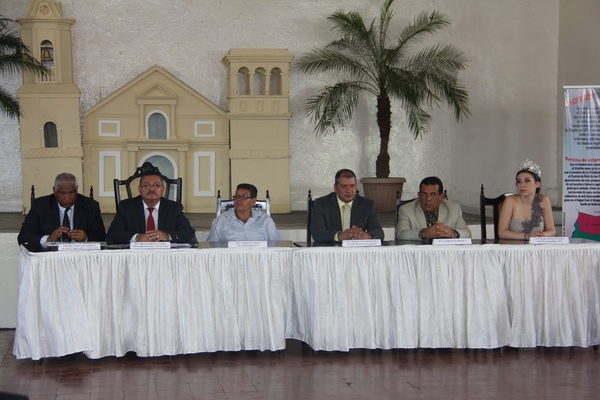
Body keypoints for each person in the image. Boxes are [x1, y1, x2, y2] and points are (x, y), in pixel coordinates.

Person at [106, 169, 195, 244]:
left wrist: (167, 236)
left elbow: (188, 233)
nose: (151, 189)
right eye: (146, 185)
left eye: (156, 185)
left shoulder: (174, 208)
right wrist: (137, 237)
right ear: (140, 189)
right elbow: (113, 234)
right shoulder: (126, 207)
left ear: (162, 189)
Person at [18, 172, 106, 245]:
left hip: (80, 255)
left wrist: (86, 238)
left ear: (77, 189)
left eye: (71, 193)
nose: (67, 198)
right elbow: (23, 236)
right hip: (51, 256)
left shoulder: (90, 206)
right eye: (62, 193)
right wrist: (48, 239)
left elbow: (102, 236)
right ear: (54, 191)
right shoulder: (40, 206)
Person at [311, 169, 384, 242]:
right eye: (344, 186)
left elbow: (379, 232)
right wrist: (340, 236)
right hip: (332, 248)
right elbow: (317, 233)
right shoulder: (322, 204)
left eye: (352, 186)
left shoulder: (367, 205)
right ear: (336, 188)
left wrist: (367, 236)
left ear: (356, 186)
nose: (349, 190)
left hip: (357, 248)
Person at [397, 176, 471, 241]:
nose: (428, 199)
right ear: (419, 196)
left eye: (433, 194)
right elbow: (401, 234)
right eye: (424, 194)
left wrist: (453, 233)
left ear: (441, 197)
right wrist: (423, 233)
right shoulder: (406, 210)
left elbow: (467, 233)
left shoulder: (454, 209)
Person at [498, 159, 556, 240]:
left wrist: (543, 235)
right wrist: (526, 236)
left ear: (537, 184)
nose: (522, 185)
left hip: (537, 246)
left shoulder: (544, 200)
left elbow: (552, 231)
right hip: (514, 246)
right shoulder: (510, 200)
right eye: (519, 181)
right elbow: (502, 233)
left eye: (527, 181)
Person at [208, 183, 282, 241]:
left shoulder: (265, 220)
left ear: (253, 201)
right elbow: (211, 247)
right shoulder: (221, 220)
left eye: (244, 197)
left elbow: (276, 245)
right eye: (236, 196)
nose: (238, 200)